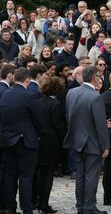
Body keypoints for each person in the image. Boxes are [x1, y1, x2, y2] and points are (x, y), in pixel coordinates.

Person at [63, 66, 110, 214]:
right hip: (92, 142)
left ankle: (80, 206)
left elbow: (68, 116)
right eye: (99, 76)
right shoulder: (96, 97)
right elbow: (100, 125)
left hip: (76, 140)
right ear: (94, 78)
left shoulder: (71, 92)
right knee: (91, 176)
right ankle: (89, 207)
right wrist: (105, 146)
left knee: (81, 176)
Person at [0, 68, 44, 214]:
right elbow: (39, 120)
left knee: (10, 176)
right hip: (26, 142)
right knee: (26, 177)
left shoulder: (5, 95)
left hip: (7, 142)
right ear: (27, 80)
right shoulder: (29, 96)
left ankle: (10, 207)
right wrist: (36, 134)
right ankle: (26, 209)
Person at [38, 76, 67, 213]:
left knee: (41, 173)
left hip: (40, 141)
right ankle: (44, 204)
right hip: (52, 143)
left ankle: (38, 201)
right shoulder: (56, 105)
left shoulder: (39, 102)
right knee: (48, 175)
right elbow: (59, 126)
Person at [0, 64, 15, 214]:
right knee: (4, 172)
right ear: (10, 75)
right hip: (5, 137)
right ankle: (4, 204)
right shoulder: (5, 92)